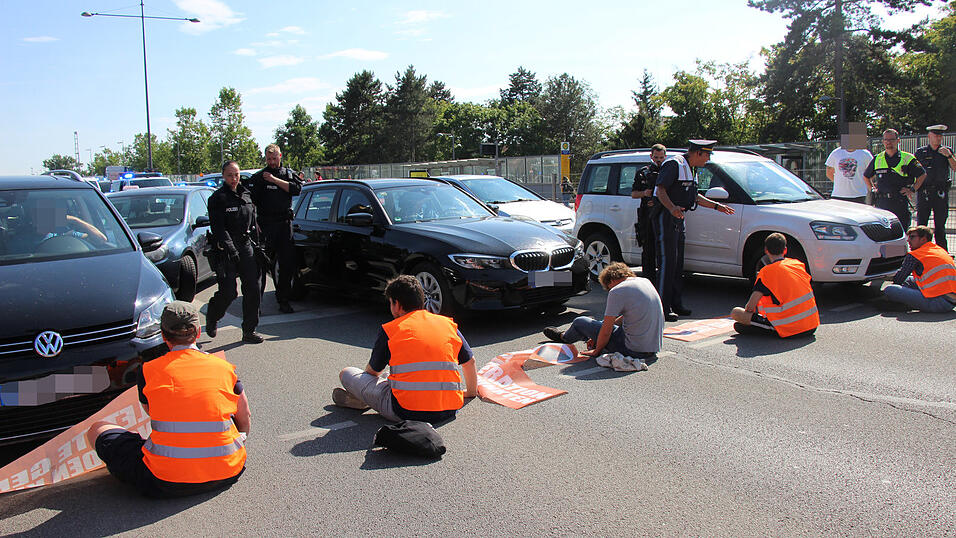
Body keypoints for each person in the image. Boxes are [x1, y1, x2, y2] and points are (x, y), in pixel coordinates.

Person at [86, 301, 250, 498]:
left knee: (98, 430)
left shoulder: (148, 370)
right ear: (198, 332)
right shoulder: (223, 367)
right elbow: (244, 414)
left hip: (165, 480)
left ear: (163, 336)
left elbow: (152, 411)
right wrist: (239, 437)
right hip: (229, 470)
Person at [333, 275, 479, 423]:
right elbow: (470, 362)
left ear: (397, 304)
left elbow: (373, 372)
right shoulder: (447, 324)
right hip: (448, 409)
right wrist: (471, 392)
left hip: (405, 411)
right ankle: (370, 397)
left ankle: (363, 399)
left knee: (347, 373)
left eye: (390, 303)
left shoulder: (391, 330)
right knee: (395, 374)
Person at [654, 139, 736, 322]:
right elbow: (660, 190)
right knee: (667, 263)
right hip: (666, 217)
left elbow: (694, 196)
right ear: (698, 153)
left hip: (679, 217)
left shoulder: (691, 168)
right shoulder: (674, 164)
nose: (707, 160)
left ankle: (676, 303)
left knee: (677, 263)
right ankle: (662, 307)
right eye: (707, 155)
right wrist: (671, 208)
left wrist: (716, 206)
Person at [543, 262, 663, 360]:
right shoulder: (645, 282)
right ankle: (587, 336)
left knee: (580, 321)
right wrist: (597, 334)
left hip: (633, 350)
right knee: (599, 324)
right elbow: (629, 317)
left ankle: (564, 337)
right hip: (652, 348)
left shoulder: (617, 290)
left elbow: (606, 329)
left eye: (608, 287)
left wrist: (597, 350)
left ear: (610, 281)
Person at [206, 161, 263, 344]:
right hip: (226, 249)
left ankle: (249, 331)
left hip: (246, 246)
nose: (234, 178)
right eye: (230, 175)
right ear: (223, 176)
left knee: (253, 289)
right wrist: (230, 248)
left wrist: (259, 245)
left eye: (236, 174)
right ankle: (213, 315)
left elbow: (253, 223)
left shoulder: (246, 194)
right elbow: (219, 228)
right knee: (229, 292)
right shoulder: (218, 198)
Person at [246, 144, 303, 314]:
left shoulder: (287, 174)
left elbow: (296, 189)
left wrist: (274, 180)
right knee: (261, 266)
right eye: (268, 159)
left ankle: (283, 300)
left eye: (274, 158)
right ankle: (257, 305)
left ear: (280, 156)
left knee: (286, 265)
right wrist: (253, 222)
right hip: (265, 225)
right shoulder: (258, 178)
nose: (271, 161)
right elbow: (250, 201)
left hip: (284, 225)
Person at [731, 233, 819, 338]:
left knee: (736, 313)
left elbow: (750, 306)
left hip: (788, 327)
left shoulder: (767, 272)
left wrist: (749, 316)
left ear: (766, 250)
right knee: (743, 326)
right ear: (785, 250)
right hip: (811, 326)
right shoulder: (797, 265)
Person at [883, 225, 956, 312]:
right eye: (908, 237)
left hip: (937, 302)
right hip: (950, 301)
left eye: (912, 237)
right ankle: (911, 302)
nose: (908, 240)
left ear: (923, 239)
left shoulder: (916, 255)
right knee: (909, 280)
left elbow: (898, 279)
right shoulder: (938, 250)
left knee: (890, 290)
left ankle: (907, 304)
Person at [863, 129, 926, 229]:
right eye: (886, 140)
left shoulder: (907, 158)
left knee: (901, 232)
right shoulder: (877, 158)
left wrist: (913, 189)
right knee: (883, 233)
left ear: (898, 140)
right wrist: (872, 189)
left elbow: (922, 175)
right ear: (883, 141)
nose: (889, 142)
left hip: (899, 202)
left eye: (892, 139)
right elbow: (866, 176)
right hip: (882, 202)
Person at [914, 124, 955, 253]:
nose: (938, 138)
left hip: (940, 193)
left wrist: (949, 156)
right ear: (929, 136)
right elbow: (913, 171)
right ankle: (921, 254)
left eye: (940, 136)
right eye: (936, 135)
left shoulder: (946, 151)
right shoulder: (921, 152)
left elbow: (955, 168)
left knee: (940, 227)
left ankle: (942, 255)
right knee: (921, 227)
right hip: (924, 193)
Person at [631, 143, 666, 283]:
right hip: (647, 216)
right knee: (648, 250)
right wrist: (645, 193)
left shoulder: (669, 171)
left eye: (661, 157)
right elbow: (633, 194)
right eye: (656, 157)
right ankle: (648, 280)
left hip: (663, 214)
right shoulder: (643, 173)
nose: (658, 160)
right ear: (651, 156)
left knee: (663, 250)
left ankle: (663, 280)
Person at [825, 124, 873, 203]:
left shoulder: (865, 154)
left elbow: (871, 172)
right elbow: (829, 172)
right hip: (838, 196)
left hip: (860, 196)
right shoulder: (836, 153)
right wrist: (840, 183)